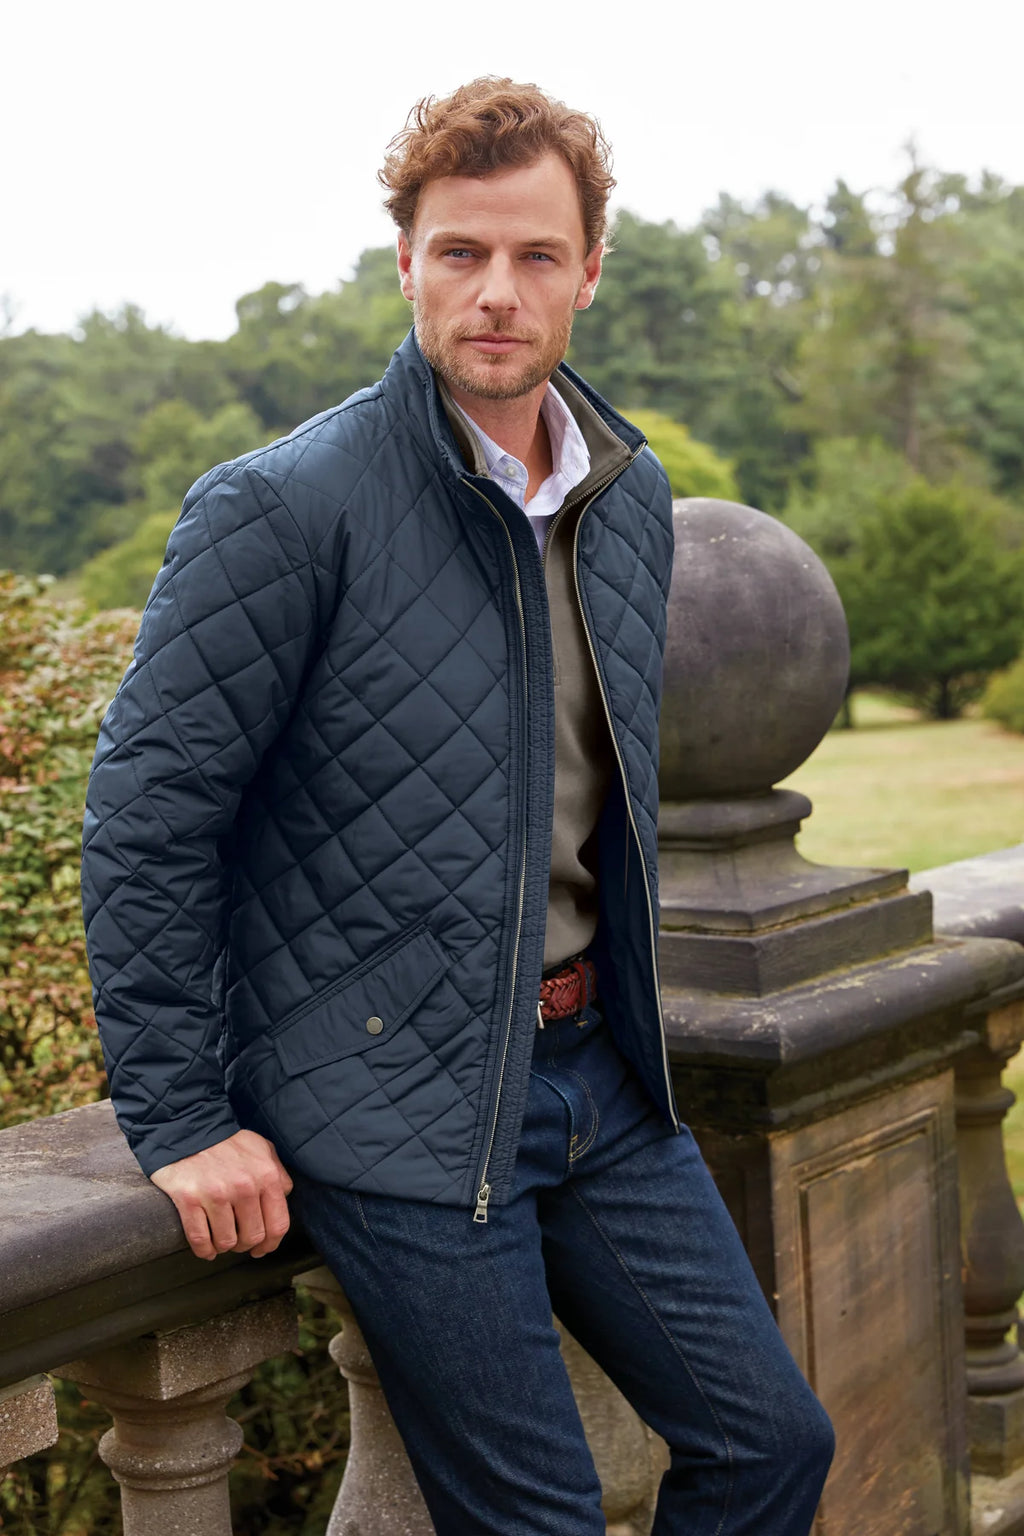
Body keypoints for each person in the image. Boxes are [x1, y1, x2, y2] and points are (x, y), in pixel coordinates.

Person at [82, 77, 834, 1535]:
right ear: (407, 264)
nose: (498, 292)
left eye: (537, 255)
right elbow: (147, 822)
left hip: (597, 1073)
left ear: (589, 273)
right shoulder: (281, 507)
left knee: (773, 1447)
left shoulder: (628, 497)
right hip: (390, 1096)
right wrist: (177, 1115)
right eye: (461, 252)